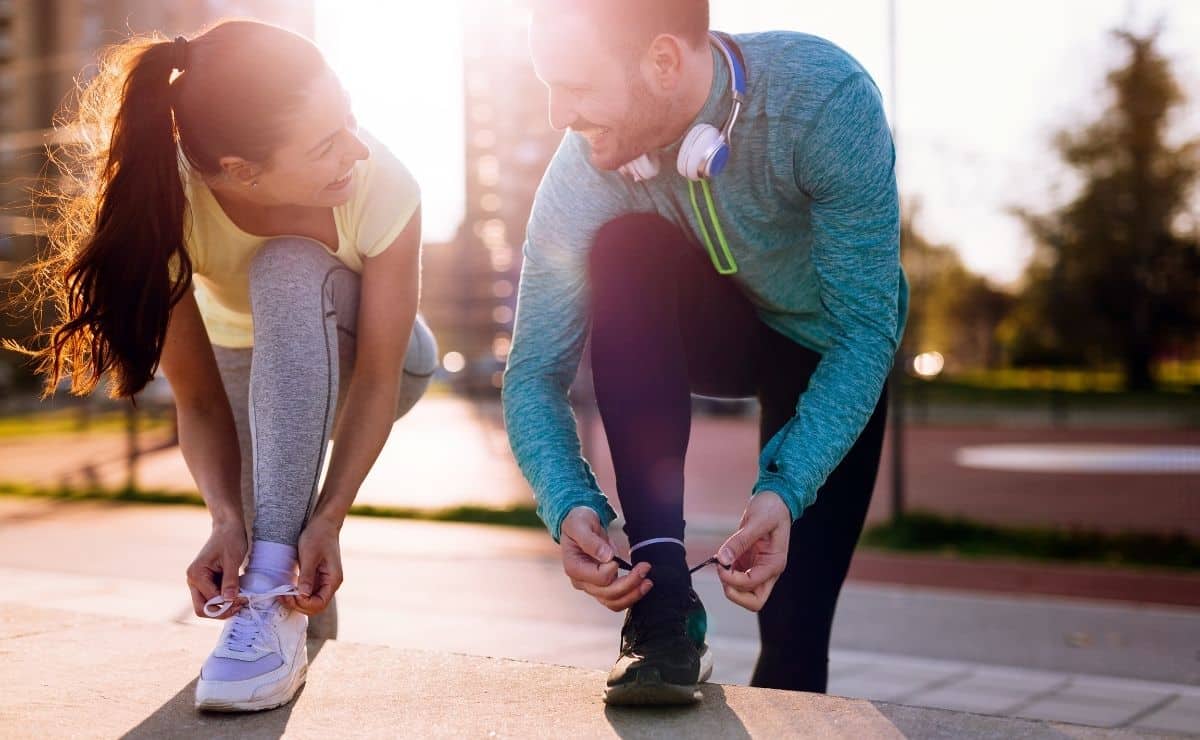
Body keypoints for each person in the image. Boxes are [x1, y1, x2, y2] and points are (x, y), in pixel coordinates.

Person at [16, 20, 437, 712]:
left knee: (288, 264)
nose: (355, 149)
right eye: (327, 141)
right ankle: (283, 668)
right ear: (243, 172)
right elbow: (202, 401)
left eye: (349, 119)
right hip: (251, 378)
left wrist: (332, 514)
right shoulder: (166, 207)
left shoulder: (381, 183)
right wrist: (222, 519)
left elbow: (379, 376)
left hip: (380, 364)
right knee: (278, 577)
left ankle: (284, 568)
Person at [503, 0, 907, 705]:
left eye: (573, 85)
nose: (555, 114)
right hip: (716, 333)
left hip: (826, 351)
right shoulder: (583, 174)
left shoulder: (822, 101)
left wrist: (786, 488)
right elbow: (534, 371)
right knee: (626, 248)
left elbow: (864, 331)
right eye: (547, 86)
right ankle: (661, 615)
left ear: (662, 61)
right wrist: (565, 498)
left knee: (794, 640)